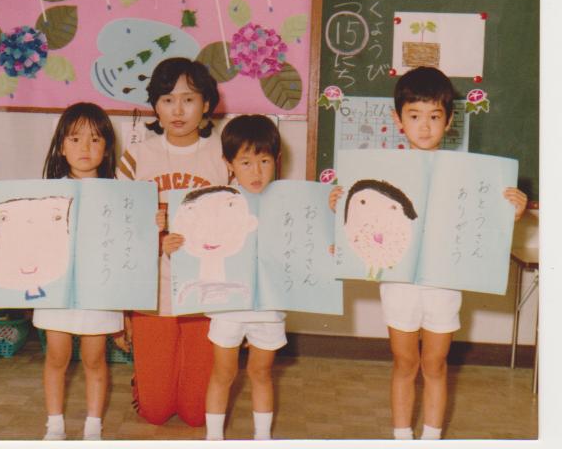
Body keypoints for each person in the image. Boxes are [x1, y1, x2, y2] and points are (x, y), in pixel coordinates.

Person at [328, 66, 528, 440]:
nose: (424, 126)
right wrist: (339, 205)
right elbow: (359, 221)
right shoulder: (379, 172)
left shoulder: (467, 174)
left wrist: (510, 211)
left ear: (449, 121)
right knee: (405, 362)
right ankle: (402, 437)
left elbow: (482, 222)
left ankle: (432, 439)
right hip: (399, 284)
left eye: (434, 117)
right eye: (414, 116)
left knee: (435, 364)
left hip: (443, 284)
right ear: (398, 120)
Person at [0, 102, 122, 441]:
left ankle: (93, 429)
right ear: (61, 146)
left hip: (98, 291)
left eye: (95, 139)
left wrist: (152, 222)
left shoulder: (119, 194)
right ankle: (55, 427)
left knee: (95, 359)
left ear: (106, 147)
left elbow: (128, 239)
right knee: (56, 357)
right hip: (54, 290)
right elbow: (23, 235)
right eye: (75, 139)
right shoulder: (45, 193)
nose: (85, 147)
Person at [117, 57, 229, 428]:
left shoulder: (224, 156)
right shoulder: (136, 158)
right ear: (155, 106)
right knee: (155, 411)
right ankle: (148, 381)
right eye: (167, 100)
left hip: (206, 294)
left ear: (206, 104)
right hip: (153, 295)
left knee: (197, 415)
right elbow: (120, 230)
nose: (177, 110)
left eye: (188, 99)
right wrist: (155, 239)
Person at [163, 114, 286, 440]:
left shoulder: (285, 204)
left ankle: (263, 438)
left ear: (276, 160)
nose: (256, 171)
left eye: (264, 161)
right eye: (246, 162)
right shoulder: (215, 202)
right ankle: (214, 438)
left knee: (261, 372)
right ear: (229, 164)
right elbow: (192, 246)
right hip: (227, 305)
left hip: (268, 307)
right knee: (223, 372)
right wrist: (174, 246)